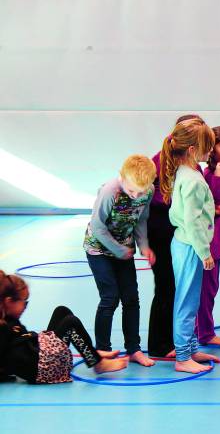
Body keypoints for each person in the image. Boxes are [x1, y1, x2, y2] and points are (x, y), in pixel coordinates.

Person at [84, 154, 157, 367]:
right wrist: (117, 250)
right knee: (110, 297)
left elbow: (140, 220)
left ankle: (133, 349)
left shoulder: (147, 191)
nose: (136, 196)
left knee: (131, 298)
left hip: (123, 249)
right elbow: (97, 226)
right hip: (98, 248)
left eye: (140, 192)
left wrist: (144, 247)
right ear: (122, 178)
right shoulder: (110, 191)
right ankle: (103, 351)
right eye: (131, 190)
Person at [160, 118, 219, 373]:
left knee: (191, 300)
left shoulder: (187, 172)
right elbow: (192, 220)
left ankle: (191, 348)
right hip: (190, 246)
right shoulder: (193, 179)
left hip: (185, 243)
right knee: (186, 301)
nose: (211, 151)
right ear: (193, 150)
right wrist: (204, 252)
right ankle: (183, 357)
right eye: (208, 146)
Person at [0, 271, 128, 384]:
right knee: (70, 323)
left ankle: (91, 352)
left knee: (61, 311)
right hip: (42, 368)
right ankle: (98, 363)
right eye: (24, 302)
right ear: (9, 301)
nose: (25, 306)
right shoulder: (3, 328)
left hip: (38, 356)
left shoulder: (8, 317)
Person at [147, 113, 201, 358]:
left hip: (178, 231)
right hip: (161, 229)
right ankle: (160, 345)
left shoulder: (191, 165)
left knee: (181, 287)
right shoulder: (160, 161)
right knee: (166, 285)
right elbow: (147, 197)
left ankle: (180, 342)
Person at [194, 126, 220, 346]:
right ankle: (205, 333)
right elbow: (215, 206)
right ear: (212, 149)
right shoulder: (211, 175)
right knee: (207, 288)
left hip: (219, 239)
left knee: (211, 287)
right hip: (210, 241)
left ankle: (201, 330)